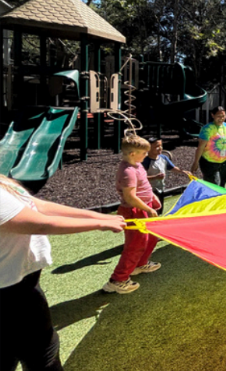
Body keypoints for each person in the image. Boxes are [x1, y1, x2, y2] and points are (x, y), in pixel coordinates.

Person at [0, 175, 124, 371]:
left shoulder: (2, 182)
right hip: (9, 292)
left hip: (19, 283)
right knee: (42, 354)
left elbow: (36, 205)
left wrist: (99, 217)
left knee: (11, 350)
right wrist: (99, 224)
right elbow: (40, 224)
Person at [104, 135, 163, 294]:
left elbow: (144, 185)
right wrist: (148, 209)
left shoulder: (137, 165)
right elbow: (130, 197)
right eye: (144, 153)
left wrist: (152, 198)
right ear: (132, 154)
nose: (146, 155)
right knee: (135, 245)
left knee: (152, 237)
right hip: (134, 211)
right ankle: (118, 280)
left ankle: (140, 264)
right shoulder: (128, 172)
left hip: (144, 207)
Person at [142, 137, 191, 212]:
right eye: (156, 146)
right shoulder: (145, 161)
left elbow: (172, 168)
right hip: (150, 190)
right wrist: (155, 177)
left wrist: (183, 172)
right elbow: (141, 178)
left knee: (160, 208)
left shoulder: (163, 158)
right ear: (148, 148)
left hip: (161, 188)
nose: (160, 148)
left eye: (161, 145)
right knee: (152, 210)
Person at [191, 106, 226, 187]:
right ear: (213, 115)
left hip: (224, 162)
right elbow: (201, 147)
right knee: (214, 186)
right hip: (209, 162)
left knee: (222, 184)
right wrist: (196, 162)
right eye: (218, 116)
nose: (221, 118)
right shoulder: (207, 129)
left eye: (223, 116)